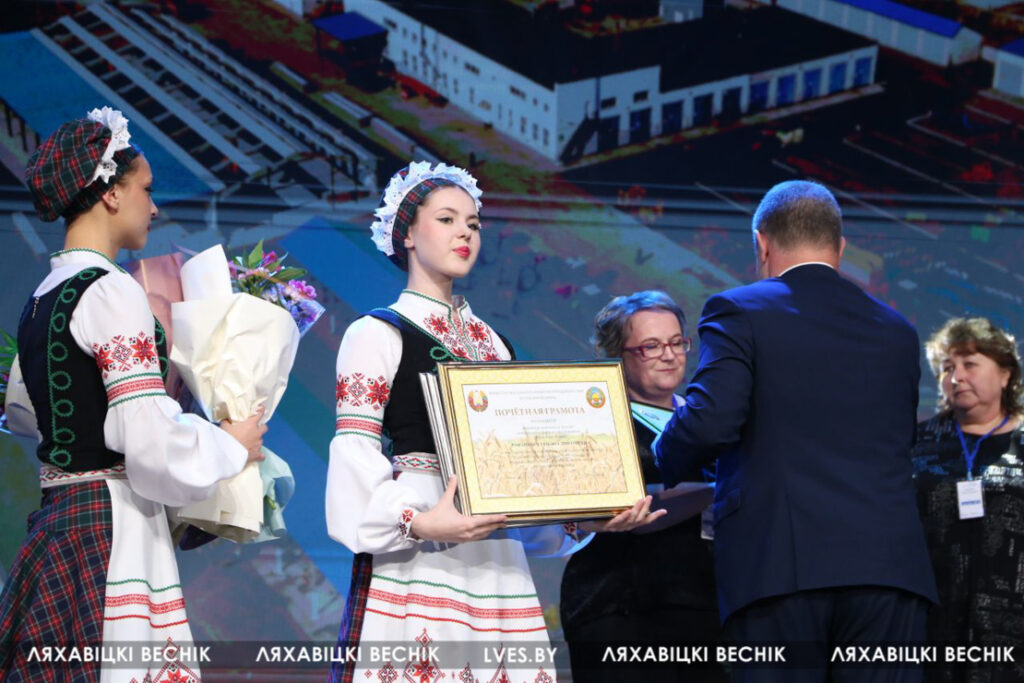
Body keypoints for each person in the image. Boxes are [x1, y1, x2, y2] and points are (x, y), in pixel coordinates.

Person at [325, 161, 662, 683]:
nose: (464, 233)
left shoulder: (493, 343)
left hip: (497, 561)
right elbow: (354, 451)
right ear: (407, 234)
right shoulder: (377, 332)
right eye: (446, 219)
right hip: (422, 551)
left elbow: (516, 481)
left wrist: (583, 516)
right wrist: (418, 522)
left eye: (473, 223)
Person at [0, 107, 266, 682]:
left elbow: (22, 412)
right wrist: (230, 445)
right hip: (111, 529)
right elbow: (145, 438)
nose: (155, 206)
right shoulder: (110, 290)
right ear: (111, 193)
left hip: (59, 523)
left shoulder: (42, 297)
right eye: (146, 189)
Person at [653, 180, 937, 682]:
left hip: (782, 568)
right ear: (840, 247)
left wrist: (657, 459)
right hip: (890, 573)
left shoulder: (738, 311)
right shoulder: (898, 331)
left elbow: (709, 422)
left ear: (761, 243)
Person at [560, 291, 726, 682]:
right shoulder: (596, 424)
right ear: (617, 355)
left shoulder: (707, 423)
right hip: (619, 606)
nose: (669, 355)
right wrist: (721, 487)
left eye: (676, 342)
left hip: (705, 606)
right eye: (651, 346)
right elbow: (629, 508)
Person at [912, 318, 1024, 682]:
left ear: (1005, 374)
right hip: (933, 617)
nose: (956, 377)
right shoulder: (917, 442)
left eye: (970, 364)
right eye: (947, 368)